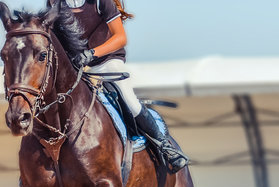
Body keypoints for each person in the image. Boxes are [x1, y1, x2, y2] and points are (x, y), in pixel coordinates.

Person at [47, 0, 188, 172]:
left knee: (129, 100)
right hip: (76, 67)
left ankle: (165, 147)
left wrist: (92, 53)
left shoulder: (100, 2)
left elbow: (120, 37)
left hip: (106, 62)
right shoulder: (55, 3)